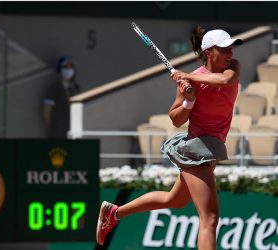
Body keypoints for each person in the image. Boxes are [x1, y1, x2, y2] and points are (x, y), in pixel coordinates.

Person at [96, 26, 242, 250]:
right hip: (196, 151)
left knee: (175, 200)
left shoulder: (232, 68)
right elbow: (176, 119)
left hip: (211, 149)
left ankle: (114, 213)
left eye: (231, 47)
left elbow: (225, 82)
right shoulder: (192, 83)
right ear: (208, 52)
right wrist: (188, 101)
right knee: (210, 218)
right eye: (224, 49)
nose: (230, 53)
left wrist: (187, 77)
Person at [42, 56, 80, 138]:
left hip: (75, 132)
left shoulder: (76, 88)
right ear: (60, 69)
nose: (68, 69)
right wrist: (54, 128)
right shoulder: (55, 88)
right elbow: (46, 111)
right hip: (59, 133)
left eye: (71, 67)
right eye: (65, 67)